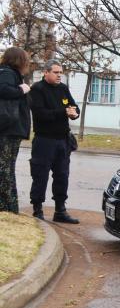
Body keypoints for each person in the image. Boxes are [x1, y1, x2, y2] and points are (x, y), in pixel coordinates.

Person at [28, 60, 80, 223]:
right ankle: (37, 211)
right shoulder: (37, 89)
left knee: (62, 175)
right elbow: (40, 114)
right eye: (56, 72)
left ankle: (60, 210)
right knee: (40, 175)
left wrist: (74, 113)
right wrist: (63, 112)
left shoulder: (63, 88)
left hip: (62, 140)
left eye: (61, 73)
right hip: (44, 140)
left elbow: (74, 106)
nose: (59, 76)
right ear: (46, 72)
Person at [0, 47, 32, 214]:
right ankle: (6, 208)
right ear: (18, 60)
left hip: (10, 130)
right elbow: (3, 89)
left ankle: (10, 208)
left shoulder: (10, 73)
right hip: (8, 129)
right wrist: (22, 89)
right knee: (5, 169)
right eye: (25, 59)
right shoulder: (7, 73)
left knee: (7, 168)